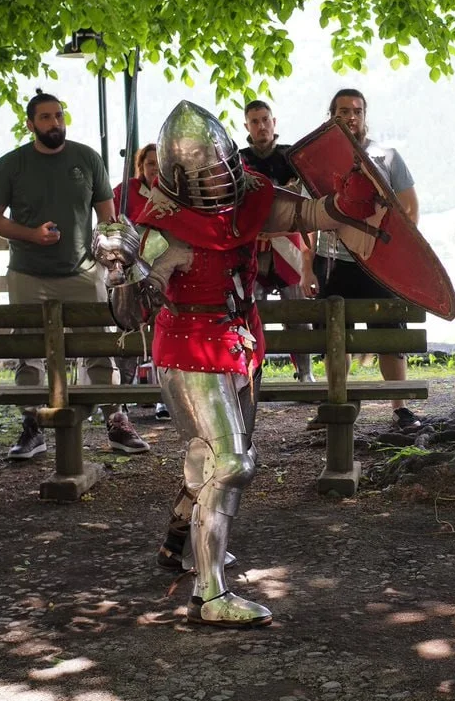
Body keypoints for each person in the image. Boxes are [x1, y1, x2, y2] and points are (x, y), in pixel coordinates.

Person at [92, 100, 384, 627]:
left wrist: (346, 200)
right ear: (180, 178)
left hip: (240, 342)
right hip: (188, 347)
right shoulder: (160, 226)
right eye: (204, 176)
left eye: (221, 170)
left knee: (210, 459)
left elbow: (309, 213)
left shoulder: (250, 198)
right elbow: (129, 313)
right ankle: (209, 595)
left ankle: (178, 545)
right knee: (231, 464)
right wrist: (125, 270)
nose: (218, 183)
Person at [0, 90, 149, 460]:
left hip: (83, 272)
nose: (54, 122)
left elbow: (107, 219)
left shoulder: (87, 158)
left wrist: (116, 253)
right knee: (30, 351)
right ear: (30, 124)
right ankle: (33, 426)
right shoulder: (11, 164)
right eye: (45, 117)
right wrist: (31, 235)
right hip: (27, 273)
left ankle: (115, 419)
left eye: (59, 115)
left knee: (101, 347)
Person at [310, 89, 422, 433]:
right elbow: (308, 217)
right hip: (331, 260)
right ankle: (337, 402)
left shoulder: (386, 157)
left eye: (357, 111)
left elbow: (409, 208)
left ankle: (400, 409)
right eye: (344, 111)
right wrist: (304, 268)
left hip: (377, 262)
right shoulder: (317, 160)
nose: (351, 117)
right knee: (334, 336)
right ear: (332, 115)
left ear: (364, 115)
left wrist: (395, 255)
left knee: (388, 334)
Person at [239, 100, 314, 383]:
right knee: (248, 312)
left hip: (287, 244)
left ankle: (305, 373)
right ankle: (250, 374)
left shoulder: (291, 156)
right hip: (252, 246)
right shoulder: (238, 160)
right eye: (255, 121)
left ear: (274, 122)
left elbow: (303, 195)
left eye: (265, 120)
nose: (261, 126)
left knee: (297, 313)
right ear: (247, 126)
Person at [113, 144, 170, 421]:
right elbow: (111, 223)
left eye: (159, 163)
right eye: (149, 163)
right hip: (132, 271)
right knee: (128, 329)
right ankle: (123, 397)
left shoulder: (175, 191)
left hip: (166, 270)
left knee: (165, 333)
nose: (154, 169)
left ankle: (166, 397)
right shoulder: (125, 193)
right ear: (141, 166)